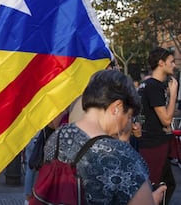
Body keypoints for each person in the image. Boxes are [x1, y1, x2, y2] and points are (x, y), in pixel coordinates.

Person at [42, 70, 166, 204]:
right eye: (129, 116)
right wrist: (153, 199)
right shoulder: (123, 155)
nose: (126, 123)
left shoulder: (58, 136)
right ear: (117, 107)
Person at [137, 47, 178, 203]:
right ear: (161, 63)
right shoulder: (154, 86)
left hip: (153, 141)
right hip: (154, 144)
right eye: (171, 62)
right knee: (156, 188)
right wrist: (173, 94)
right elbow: (166, 120)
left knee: (168, 184)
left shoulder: (147, 85)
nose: (174, 65)